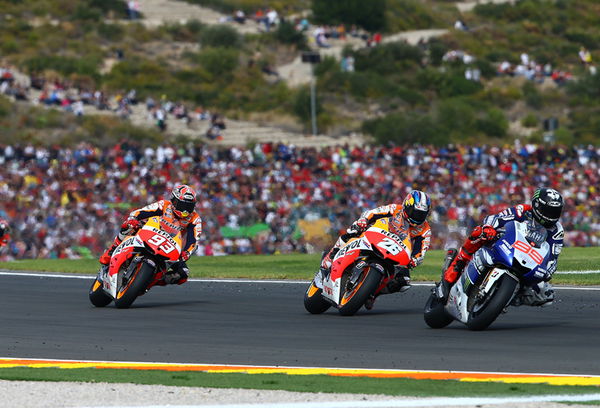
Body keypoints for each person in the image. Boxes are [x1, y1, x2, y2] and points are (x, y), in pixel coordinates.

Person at [436, 187, 564, 306]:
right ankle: (457, 264)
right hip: (504, 244)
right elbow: (496, 218)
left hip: (528, 261)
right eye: (549, 210)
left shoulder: (557, 230)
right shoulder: (523, 211)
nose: (552, 214)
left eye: (556, 211)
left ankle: (507, 297)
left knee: (546, 295)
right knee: (481, 232)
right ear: (537, 205)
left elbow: (553, 257)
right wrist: (489, 227)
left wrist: (547, 271)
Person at [320, 190, 432, 308]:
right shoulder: (395, 209)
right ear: (406, 205)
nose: (417, 216)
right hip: (376, 235)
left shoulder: (425, 229)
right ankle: (331, 255)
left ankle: (372, 293)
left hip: (396, 251)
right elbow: (372, 213)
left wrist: (415, 259)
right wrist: (364, 220)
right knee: (353, 231)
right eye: (414, 212)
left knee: (404, 281)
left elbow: (421, 250)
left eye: (421, 214)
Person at [98, 184, 203, 285]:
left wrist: (187, 252)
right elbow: (140, 212)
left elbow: (193, 240)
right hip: (148, 232)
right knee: (128, 226)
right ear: (174, 201)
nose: (185, 211)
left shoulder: (195, 219)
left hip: (169, 245)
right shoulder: (163, 205)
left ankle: (149, 281)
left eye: (189, 207)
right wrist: (133, 219)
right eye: (183, 205)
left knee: (183, 273)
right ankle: (109, 255)